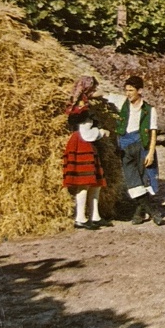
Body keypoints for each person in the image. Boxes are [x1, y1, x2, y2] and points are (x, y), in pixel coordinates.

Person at [104, 75, 165, 226]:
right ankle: (153, 213)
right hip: (124, 146)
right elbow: (103, 95)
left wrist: (151, 153)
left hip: (141, 144)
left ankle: (139, 213)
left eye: (131, 90)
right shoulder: (121, 102)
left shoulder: (149, 110)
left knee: (145, 178)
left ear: (140, 90)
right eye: (126, 90)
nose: (128, 93)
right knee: (132, 180)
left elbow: (153, 132)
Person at [62, 76, 111, 230]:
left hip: (85, 145)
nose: (95, 91)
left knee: (94, 183)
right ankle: (81, 218)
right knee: (84, 184)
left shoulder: (80, 102)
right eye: (93, 88)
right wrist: (101, 132)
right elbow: (86, 133)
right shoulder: (81, 108)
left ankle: (95, 216)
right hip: (82, 144)